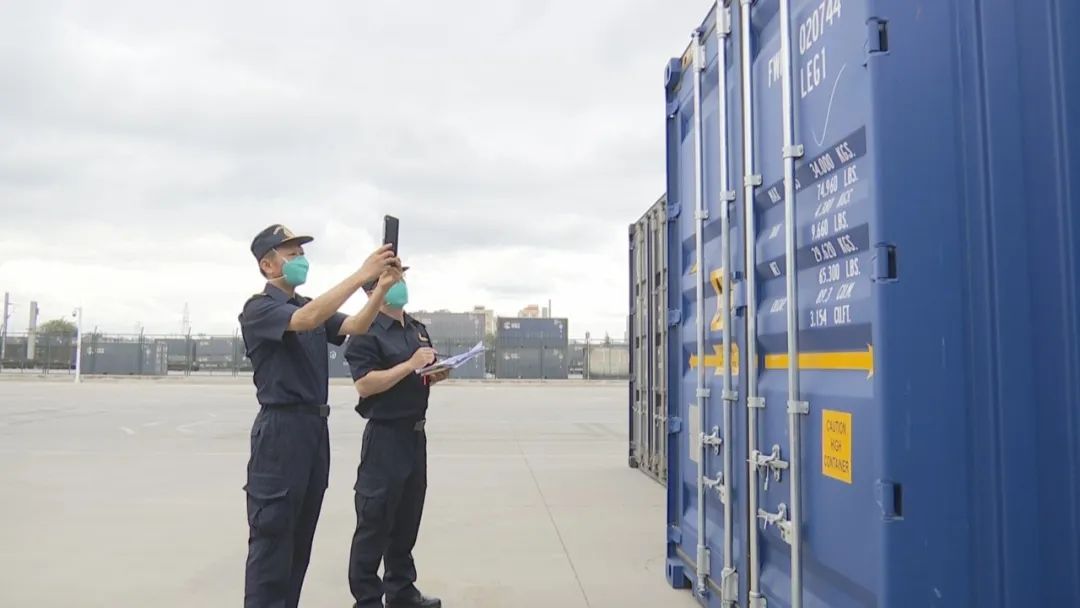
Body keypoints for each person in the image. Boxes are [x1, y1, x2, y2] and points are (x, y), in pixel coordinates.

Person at [239, 223, 401, 608]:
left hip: (314, 429)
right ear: (266, 265)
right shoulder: (260, 308)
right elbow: (307, 320)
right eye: (291, 254)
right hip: (281, 431)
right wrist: (360, 274)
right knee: (273, 537)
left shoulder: (308, 304)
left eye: (302, 254)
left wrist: (380, 288)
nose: (301, 260)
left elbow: (356, 325)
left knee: (299, 539)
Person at [344, 269, 448, 608]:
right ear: (372, 290)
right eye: (392, 279)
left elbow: (419, 374)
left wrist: (435, 373)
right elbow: (365, 384)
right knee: (374, 521)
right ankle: (367, 599)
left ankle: (402, 591)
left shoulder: (416, 329)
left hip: (415, 435)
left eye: (402, 278)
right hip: (385, 437)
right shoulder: (365, 331)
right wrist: (409, 365)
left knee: (407, 517)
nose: (401, 284)